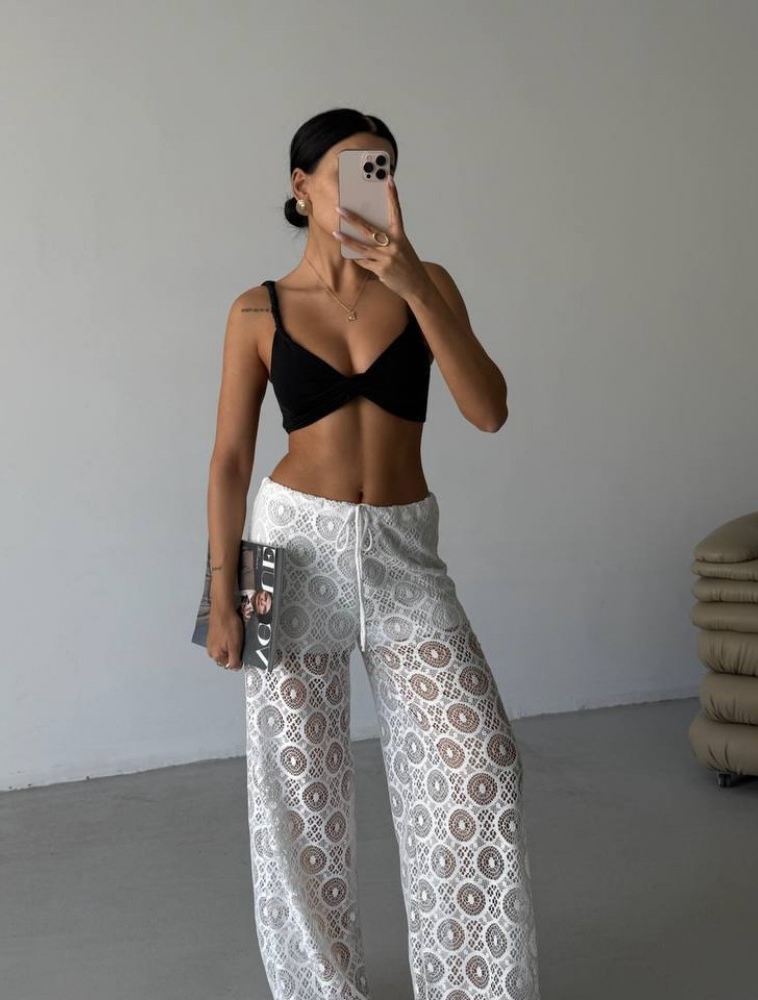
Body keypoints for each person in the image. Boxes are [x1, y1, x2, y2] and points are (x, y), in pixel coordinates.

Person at [205, 108, 541, 1000]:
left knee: (479, 765)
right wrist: (222, 594)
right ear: (302, 187)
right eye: (352, 170)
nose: (372, 186)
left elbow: (489, 410)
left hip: (401, 552)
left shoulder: (427, 284)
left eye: (383, 169)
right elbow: (230, 461)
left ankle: (470, 985)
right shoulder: (257, 309)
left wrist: (416, 283)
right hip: (287, 547)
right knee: (298, 793)